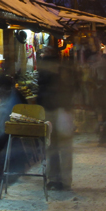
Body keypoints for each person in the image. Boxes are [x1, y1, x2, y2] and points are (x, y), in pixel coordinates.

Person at [36, 46, 73, 191]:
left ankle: (58, 179)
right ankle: (59, 180)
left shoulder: (58, 72)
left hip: (58, 111)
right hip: (57, 111)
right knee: (56, 147)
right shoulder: (60, 71)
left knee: (56, 147)